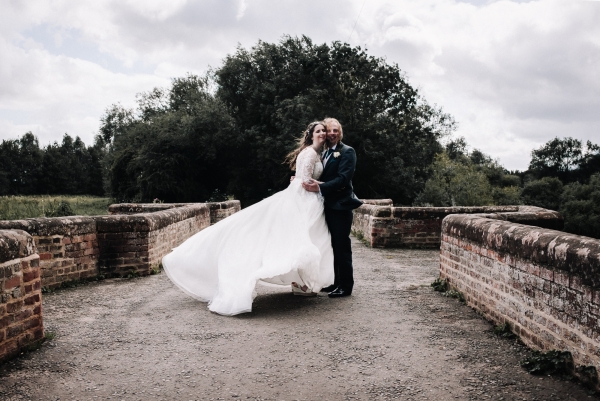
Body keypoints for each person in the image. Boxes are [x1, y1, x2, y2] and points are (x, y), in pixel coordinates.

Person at [161, 121, 334, 316]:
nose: (322, 134)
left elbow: (299, 178)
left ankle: (300, 283)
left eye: (323, 131)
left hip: (309, 200)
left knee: (302, 241)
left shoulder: (317, 153)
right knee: (299, 242)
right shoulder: (310, 153)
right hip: (304, 200)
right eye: (318, 131)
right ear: (311, 135)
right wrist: (327, 184)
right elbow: (304, 181)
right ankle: (300, 283)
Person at [302, 118, 362, 298]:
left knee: (342, 246)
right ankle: (336, 283)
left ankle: (346, 286)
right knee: (333, 245)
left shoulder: (347, 152)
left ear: (340, 132)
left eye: (336, 130)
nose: (332, 133)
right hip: (327, 205)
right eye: (329, 130)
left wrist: (319, 187)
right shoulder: (326, 152)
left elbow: (343, 179)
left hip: (341, 206)